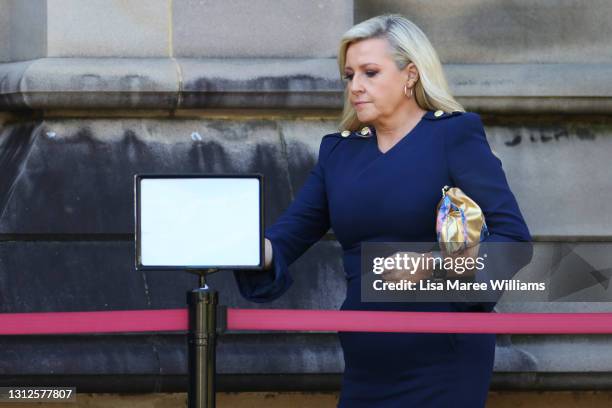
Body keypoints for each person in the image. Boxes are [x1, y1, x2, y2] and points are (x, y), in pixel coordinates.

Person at [234, 14, 532, 407]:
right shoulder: (339, 152)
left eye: (370, 72)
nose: (355, 86)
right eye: (349, 75)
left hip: (444, 358)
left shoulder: (453, 135)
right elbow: (285, 239)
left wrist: (429, 264)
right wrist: (234, 243)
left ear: (410, 75)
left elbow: (515, 243)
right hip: (366, 359)